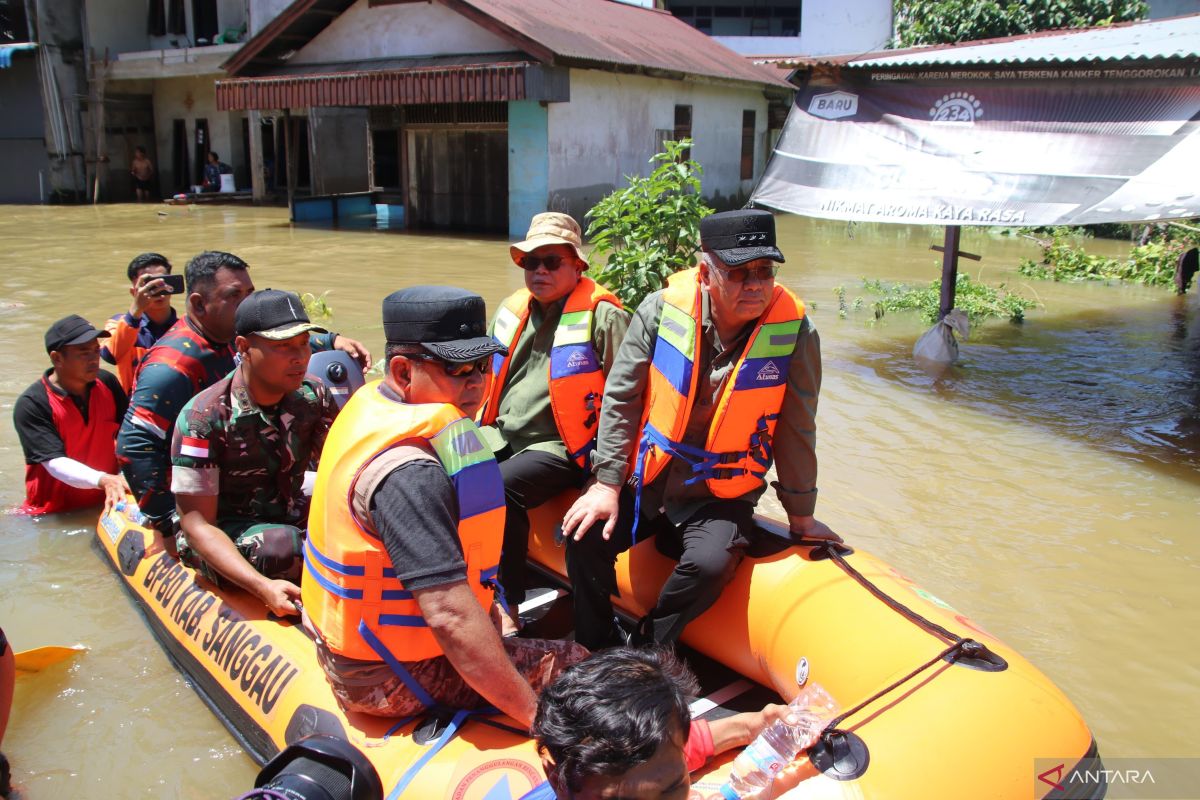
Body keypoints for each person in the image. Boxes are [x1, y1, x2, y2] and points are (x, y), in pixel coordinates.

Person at [303, 286, 587, 729]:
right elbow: (450, 617)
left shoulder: (376, 407)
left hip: (364, 648)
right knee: (577, 660)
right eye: (456, 367)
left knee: (506, 631)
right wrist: (535, 717)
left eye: (482, 365)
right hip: (388, 676)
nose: (476, 381)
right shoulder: (410, 473)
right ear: (402, 371)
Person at [561, 209, 841, 650]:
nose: (754, 284)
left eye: (764, 271)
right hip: (651, 475)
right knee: (584, 537)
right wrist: (607, 483)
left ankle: (646, 649)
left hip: (720, 493)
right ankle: (595, 643)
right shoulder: (659, 311)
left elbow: (797, 426)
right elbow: (622, 398)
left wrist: (800, 512)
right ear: (706, 274)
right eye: (738, 272)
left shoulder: (796, 332)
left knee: (710, 566)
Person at [117, 251, 370, 546]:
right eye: (235, 295)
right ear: (199, 303)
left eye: (250, 293)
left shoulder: (229, 338)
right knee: (278, 546)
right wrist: (166, 522)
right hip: (202, 486)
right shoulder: (171, 368)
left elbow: (274, 344)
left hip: (262, 476)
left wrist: (329, 340)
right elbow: (135, 444)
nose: (247, 303)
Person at [478, 213, 629, 634]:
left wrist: (607, 475)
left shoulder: (603, 316)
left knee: (497, 485)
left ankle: (507, 599)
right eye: (531, 263)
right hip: (499, 433)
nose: (539, 271)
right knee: (439, 468)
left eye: (551, 262)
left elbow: (631, 397)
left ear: (577, 266)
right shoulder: (513, 311)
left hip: (561, 446)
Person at [171, 290, 338, 616]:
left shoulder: (313, 395)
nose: (300, 357)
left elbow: (342, 467)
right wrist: (264, 587)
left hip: (288, 511)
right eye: (283, 346)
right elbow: (197, 524)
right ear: (244, 348)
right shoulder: (203, 419)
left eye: (304, 344)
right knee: (282, 547)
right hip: (226, 530)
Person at [524, 647, 794, 800]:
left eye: (672, 787)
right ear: (556, 782)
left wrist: (751, 726)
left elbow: (682, 747)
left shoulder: (646, 764)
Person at [13, 315, 130, 515]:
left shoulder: (107, 384)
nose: (94, 359)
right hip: (53, 513)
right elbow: (54, 462)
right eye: (84, 353)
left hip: (107, 498)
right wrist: (103, 480)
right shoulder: (33, 404)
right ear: (57, 358)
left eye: (96, 350)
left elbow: (129, 435)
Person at [101, 252, 178, 394]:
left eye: (162, 282)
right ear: (134, 292)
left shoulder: (186, 327)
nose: (158, 289)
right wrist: (135, 313)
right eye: (149, 284)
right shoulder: (118, 324)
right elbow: (110, 355)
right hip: (135, 410)